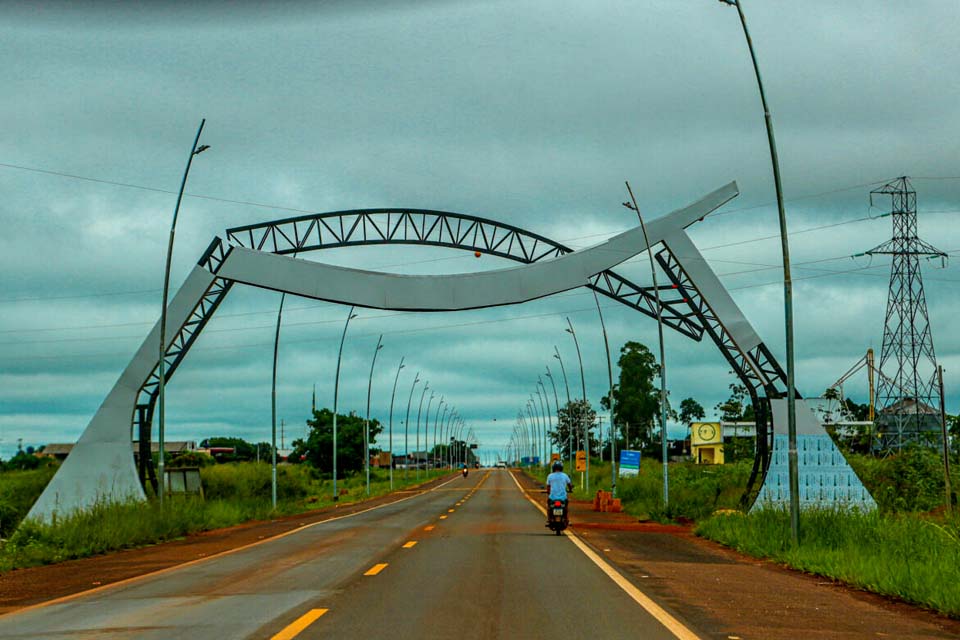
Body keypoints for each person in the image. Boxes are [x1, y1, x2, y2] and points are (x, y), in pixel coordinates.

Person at [544, 460, 573, 526]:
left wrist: (548, 492)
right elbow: (569, 485)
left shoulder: (550, 476)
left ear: (553, 468)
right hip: (563, 497)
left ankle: (549, 519)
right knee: (566, 508)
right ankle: (567, 519)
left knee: (549, 507)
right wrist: (570, 489)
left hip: (553, 497)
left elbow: (548, 487)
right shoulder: (565, 476)